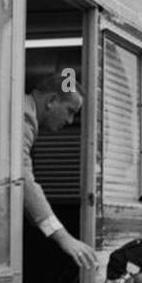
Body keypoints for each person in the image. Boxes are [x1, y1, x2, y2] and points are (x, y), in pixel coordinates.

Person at [24, 70, 96, 271]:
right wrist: (63, 238)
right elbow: (24, 181)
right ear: (52, 100)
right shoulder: (23, 118)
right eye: (70, 111)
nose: (71, 121)